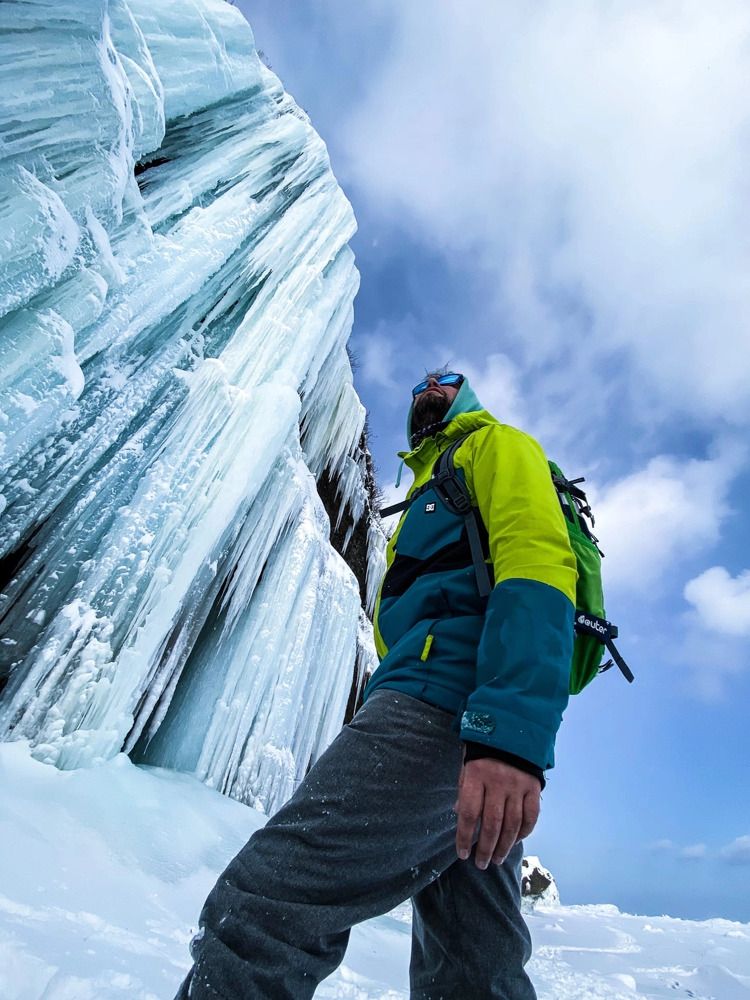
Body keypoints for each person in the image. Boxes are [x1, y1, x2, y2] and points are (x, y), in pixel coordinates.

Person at [175, 371, 577, 1000]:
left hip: (441, 710)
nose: (427, 386)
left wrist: (508, 736)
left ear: (465, 397)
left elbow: (538, 566)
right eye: (419, 383)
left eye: (445, 380)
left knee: (268, 903)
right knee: (473, 964)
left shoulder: (495, 445)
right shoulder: (428, 487)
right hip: (452, 722)